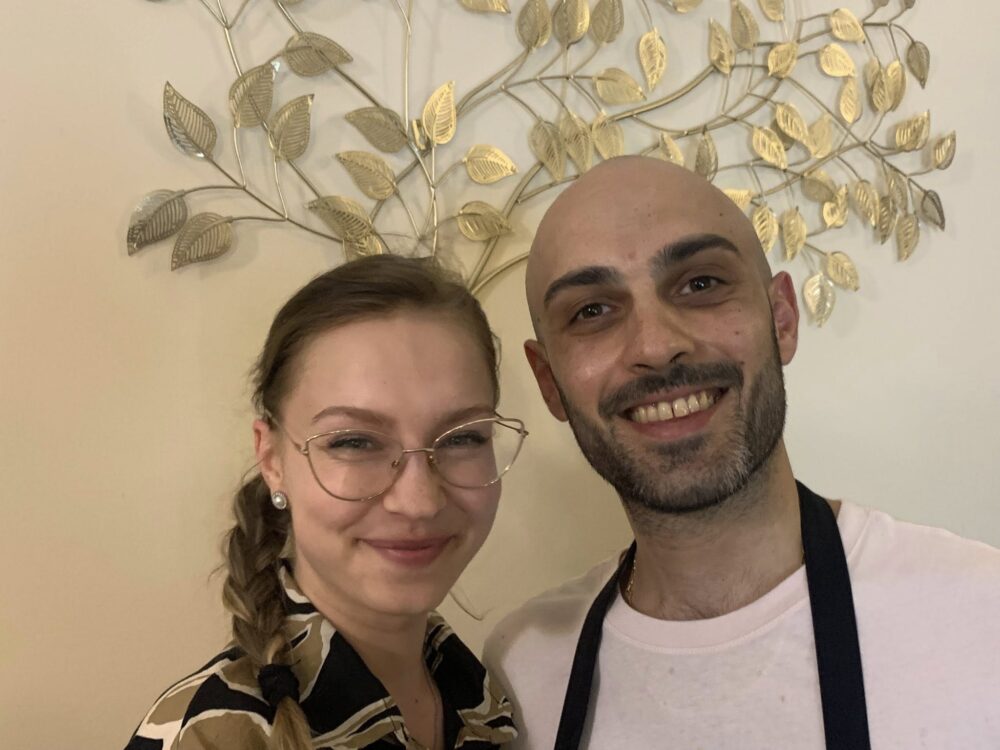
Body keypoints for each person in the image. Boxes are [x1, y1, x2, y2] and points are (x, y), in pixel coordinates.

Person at [483, 156, 1000, 749]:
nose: (655, 345)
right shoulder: (519, 674)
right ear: (549, 380)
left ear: (781, 318)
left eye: (701, 284)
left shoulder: (983, 617)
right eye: (591, 311)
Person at [126, 254, 526, 750]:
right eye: (354, 442)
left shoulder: (486, 695)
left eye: (462, 438)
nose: (419, 501)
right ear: (272, 458)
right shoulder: (216, 734)